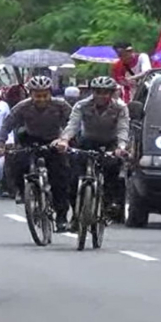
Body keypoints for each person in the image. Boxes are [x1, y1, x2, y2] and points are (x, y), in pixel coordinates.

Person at [0, 76, 72, 232]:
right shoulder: (21, 107)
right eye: (37, 95)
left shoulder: (61, 106)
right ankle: (23, 192)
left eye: (45, 95)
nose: (41, 99)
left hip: (54, 141)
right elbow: (6, 126)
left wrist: (64, 140)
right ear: (31, 94)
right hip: (30, 140)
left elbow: (73, 124)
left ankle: (62, 217)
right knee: (15, 161)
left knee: (60, 179)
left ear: (50, 94)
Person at [54, 76, 130, 226]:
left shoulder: (120, 107)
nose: (101, 96)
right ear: (92, 92)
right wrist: (64, 140)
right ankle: (76, 216)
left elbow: (123, 128)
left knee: (114, 171)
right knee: (73, 178)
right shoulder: (81, 105)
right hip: (87, 141)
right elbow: (73, 125)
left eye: (105, 93)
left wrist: (121, 147)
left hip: (110, 143)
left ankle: (111, 205)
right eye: (98, 92)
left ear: (112, 93)